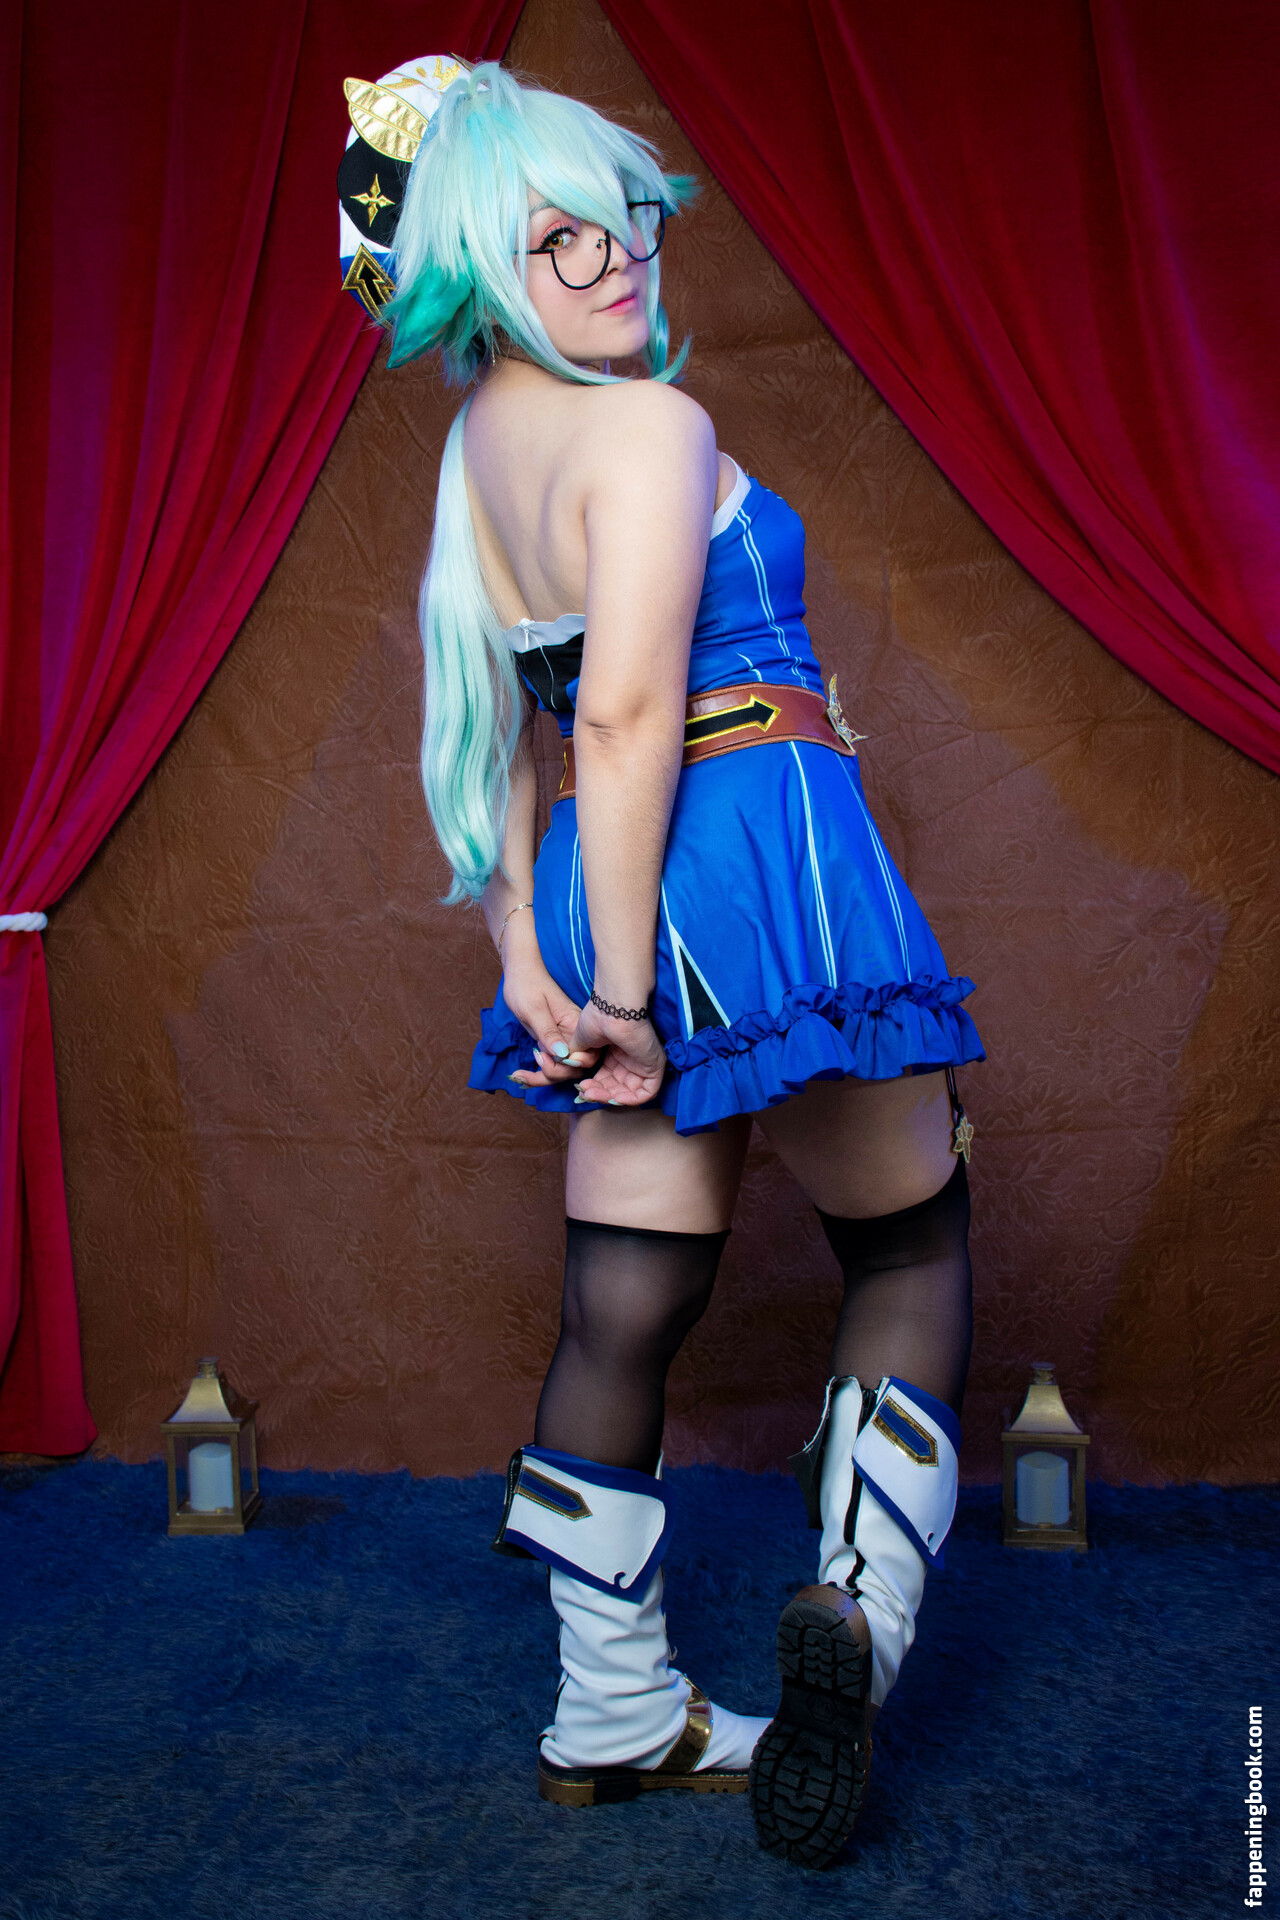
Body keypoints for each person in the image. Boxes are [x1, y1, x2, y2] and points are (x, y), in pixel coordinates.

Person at [380, 62, 983, 1868]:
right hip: (748, 859)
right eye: (549, 240)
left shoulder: (476, 453)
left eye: (619, 216)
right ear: (474, 270)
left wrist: (528, 936)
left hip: (599, 879)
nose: (610, 259)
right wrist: (633, 999)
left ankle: (611, 1705)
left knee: (622, 1304)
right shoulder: (647, 426)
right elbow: (626, 711)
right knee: (910, 1242)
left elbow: (492, 722)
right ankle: (855, 1617)